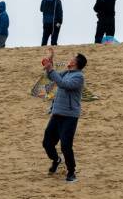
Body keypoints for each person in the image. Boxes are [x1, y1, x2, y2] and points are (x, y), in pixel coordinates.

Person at [42, 48, 87, 183]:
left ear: (76, 63)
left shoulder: (79, 76)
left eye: (73, 57)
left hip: (69, 116)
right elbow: (51, 77)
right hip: (57, 114)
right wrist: (50, 61)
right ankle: (56, 159)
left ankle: (71, 172)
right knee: (47, 143)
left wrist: (50, 68)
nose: (70, 59)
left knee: (66, 146)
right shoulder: (67, 72)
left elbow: (63, 84)